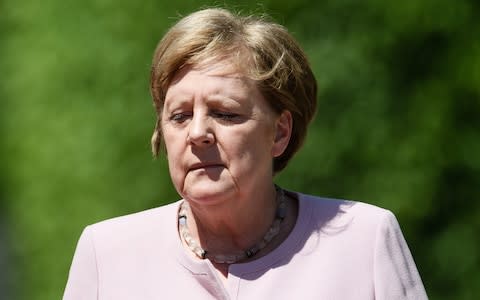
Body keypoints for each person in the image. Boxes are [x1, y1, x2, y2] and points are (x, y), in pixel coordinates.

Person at [63, 8, 427, 300]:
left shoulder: (363, 240)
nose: (198, 133)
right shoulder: (107, 254)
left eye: (225, 113)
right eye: (179, 116)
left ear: (280, 132)